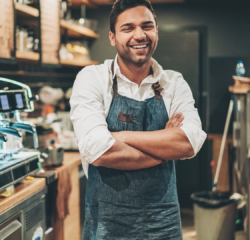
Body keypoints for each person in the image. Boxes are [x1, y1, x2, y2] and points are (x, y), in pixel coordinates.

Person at [70, 0, 207, 239]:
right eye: (128, 28)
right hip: (107, 222)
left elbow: (188, 143)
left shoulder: (173, 83)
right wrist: (164, 148)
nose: (139, 35)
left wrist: (120, 137)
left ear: (156, 32)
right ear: (112, 37)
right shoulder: (92, 79)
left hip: (163, 220)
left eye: (147, 26)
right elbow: (100, 151)